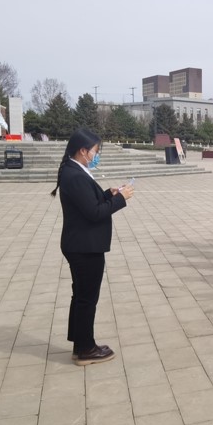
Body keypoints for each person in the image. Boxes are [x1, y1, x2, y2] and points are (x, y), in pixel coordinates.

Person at [52, 129, 133, 365]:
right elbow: (94, 213)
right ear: (83, 151)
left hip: (81, 243)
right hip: (85, 246)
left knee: (81, 296)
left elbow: (87, 202)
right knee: (87, 299)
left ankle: (81, 344)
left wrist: (108, 194)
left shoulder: (74, 170)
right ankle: (86, 349)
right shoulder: (75, 175)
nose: (96, 156)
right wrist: (120, 199)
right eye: (95, 151)